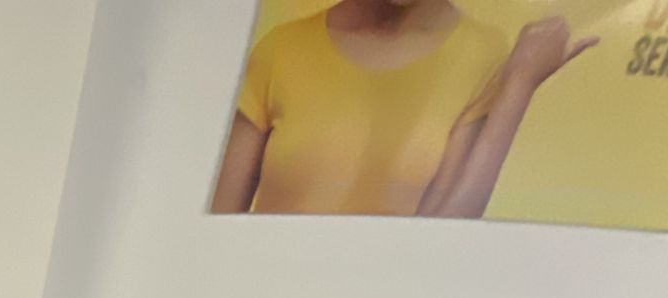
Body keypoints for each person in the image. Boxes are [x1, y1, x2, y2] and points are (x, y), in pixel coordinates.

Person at [211, 0, 598, 218]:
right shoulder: (279, 51)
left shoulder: (481, 52)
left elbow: (447, 229)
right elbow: (220, 222)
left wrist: (519, 87)